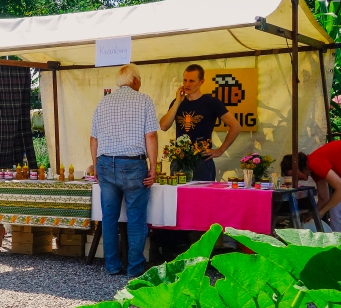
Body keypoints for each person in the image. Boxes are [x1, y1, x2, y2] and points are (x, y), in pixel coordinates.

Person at [88, 64, 159, 277]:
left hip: (105, 163)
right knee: (136, 218)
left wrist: (95, 165)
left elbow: (93, 138)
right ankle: (134, 268)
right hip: (133, 164)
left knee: (109, 217)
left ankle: (112, 266)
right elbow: (151, 136)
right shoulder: (144, 100)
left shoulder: (104, 102)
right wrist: (153, 167)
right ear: (135, 80)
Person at [158, 64, 241, 181]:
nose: (187, 84)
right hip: (179, 160)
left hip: (201, 160)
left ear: (201, 82)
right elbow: (163, 126)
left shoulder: (212, 102)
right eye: (185, 80)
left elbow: (236, 126)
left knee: (202, 198)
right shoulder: (177, 102)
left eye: (191, 81)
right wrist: (177, 102)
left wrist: (221, 150)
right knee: (178, 197)